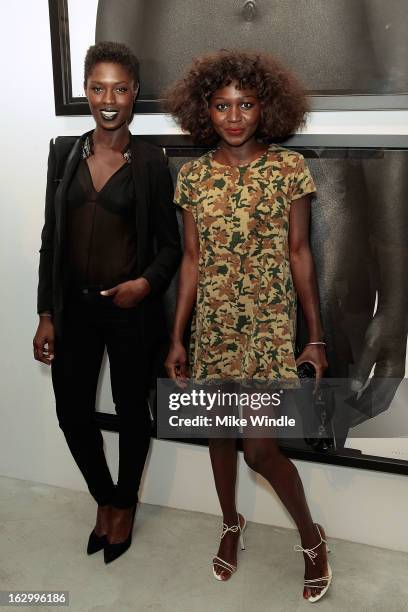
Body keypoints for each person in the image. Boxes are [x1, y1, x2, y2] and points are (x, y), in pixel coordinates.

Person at [165, 50, 331, 602]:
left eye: (245, 104)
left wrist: (315, 335)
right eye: (221, 106)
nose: (233, 117)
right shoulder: (192, 177)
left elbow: (301, 253)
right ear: (203, 111)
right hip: (213, 328)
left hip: (267, 330)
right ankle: (230, 522)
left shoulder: (289, 170)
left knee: (259, 449)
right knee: (219, 436)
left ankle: (311, 538)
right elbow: (190, 260)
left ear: (265, 108)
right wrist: (177, 336)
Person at [33, 41, 181, 564]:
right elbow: (53, 239)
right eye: (98, 88)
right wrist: (46, 313)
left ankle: (125, 505)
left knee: (130, 413)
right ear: (87, 93)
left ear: (135, 93)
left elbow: (170, 246)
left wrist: (145, 284)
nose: (109, 98)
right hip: (74, 310)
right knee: (72, 413)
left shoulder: (150, 163)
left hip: (128, 312)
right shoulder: (63, 153)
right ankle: (105, 496)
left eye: (120, 87)